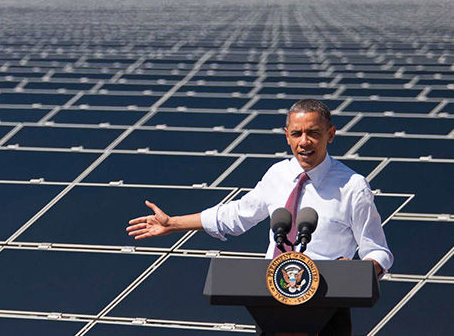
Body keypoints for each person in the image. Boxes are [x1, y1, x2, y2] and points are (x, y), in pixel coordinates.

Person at [127, 99, 392, 336]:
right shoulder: (277, 175)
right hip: (274, 306)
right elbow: (237, 215)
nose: (304, 141)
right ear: (286, 136)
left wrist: (356, 272)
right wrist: (173, 223)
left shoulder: (353, 186)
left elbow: (377, 251)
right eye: (297, 133)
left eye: (313, 133)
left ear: (330, 135)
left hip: (326, 308)